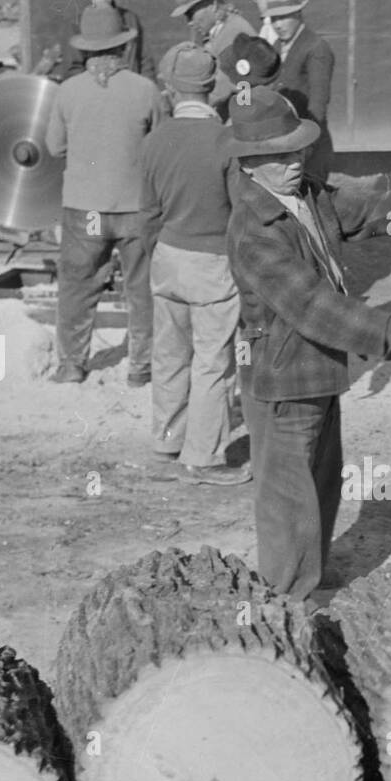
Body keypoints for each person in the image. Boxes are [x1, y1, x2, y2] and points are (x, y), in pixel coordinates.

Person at [225, 88, 391, 601]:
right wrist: (388, 332)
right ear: (249, 164)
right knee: (287, 498)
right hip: (282, 379)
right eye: (279, 156)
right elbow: (310, 305)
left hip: (318, 370)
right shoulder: (253, 230)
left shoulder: (306, 194)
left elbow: (365, 211)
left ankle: (313, 576)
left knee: (320, 481)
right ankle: (290, 600)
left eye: (296, 149)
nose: (294, 162)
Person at [139, 43, 248, 486]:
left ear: (171, 89)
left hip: (166, 257)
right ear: (211, 89)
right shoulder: (227, 141)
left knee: (169, 357)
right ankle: (201, 458)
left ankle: (167, 443)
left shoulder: (154, 140)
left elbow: (146, 213)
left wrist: (158, 256)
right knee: (212, 363)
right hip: (213, 262)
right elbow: (240, 213)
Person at [45, 6, 165, 386]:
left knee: (78, 287)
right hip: (135, 208)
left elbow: (54, 147)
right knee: (142, 290)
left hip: (86, 211)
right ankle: (140, 368)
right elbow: (160, 145)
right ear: (122, 46)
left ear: (85, 50)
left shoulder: (67, 91)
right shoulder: (145, 90)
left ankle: (71, 365)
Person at [262, 0, 335, 179]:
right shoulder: (277, 46)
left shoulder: (316, 47)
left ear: (298, 13)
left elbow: (318, 104)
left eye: (283, 17)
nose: (277, 24)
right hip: (285, 146)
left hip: (310, 146)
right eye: (273, 19)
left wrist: (307, 147)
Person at [53, 0, 154, 82]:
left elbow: (145, 63)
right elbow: (73, 70)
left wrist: (145, 91)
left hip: (131, 93)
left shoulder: (130, 19)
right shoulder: (75, 25)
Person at [169, 0, 256, 112]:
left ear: (214, 6)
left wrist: (185, 102)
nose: (189, 22)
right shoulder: (219, 32)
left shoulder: (236, 35)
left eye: (191, 14)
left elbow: (227, 89)